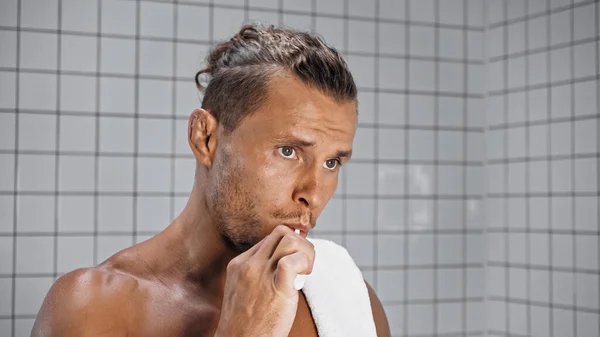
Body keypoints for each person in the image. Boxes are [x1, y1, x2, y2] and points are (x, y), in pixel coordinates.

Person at [31, 24, 391, 337]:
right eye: (288, 152)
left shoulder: (344, 296)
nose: (312, 194)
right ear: (206, 139)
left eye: (331, 162)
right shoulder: (94, 309)